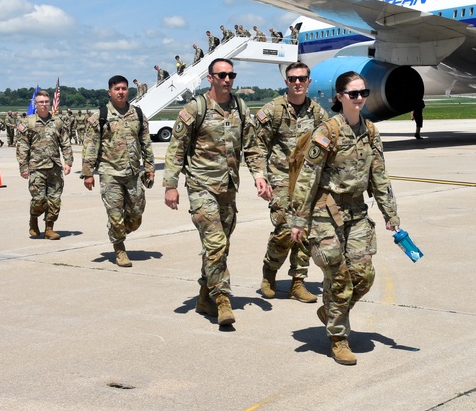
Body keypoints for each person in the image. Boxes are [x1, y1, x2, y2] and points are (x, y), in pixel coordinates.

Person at [290, 71, 400, 365]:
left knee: (363, 276)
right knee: (338, 278)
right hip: (325, 212)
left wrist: (390, 212)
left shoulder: (371, 131)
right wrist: (299, 219)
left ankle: (331, 312)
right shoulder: (327, 132)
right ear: (340, 97)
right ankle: (338, 338)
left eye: (364, 92)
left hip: (357, 213)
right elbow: (308, 177)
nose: (360, 98)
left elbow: (379, 174)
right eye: (354, 94)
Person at [164, 58, 254, 327]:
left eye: (231, 75)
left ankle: (204, 295)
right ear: (210, 78)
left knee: (219, 246)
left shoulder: (240, 107)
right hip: (201, 186)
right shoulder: (196, 108)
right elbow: (177, 147)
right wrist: (171, 185)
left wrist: (260, 175)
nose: (227, 80)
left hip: (228, 188)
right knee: (215, 244)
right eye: (222, 75)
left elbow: (252, 145)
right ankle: (222, 299)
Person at [245, 62, 329, 303]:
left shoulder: (317, 113)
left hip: (307, 180)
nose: (297, 83)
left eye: (302, 78)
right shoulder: (273, 110)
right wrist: (260, 176)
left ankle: (298, 282)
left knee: (304, 229)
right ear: (286, 82)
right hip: (280, 178)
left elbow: (326, 146)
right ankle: (269, 271)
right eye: (293, 78)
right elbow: (256, 146)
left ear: (309, 81)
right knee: (284, 228)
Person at [81, 76, 155, 267]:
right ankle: (120, 249)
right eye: (117, 89)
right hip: (110, 173)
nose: (121, 92)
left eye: (124, 88)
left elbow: (146, 143)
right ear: (110, 92)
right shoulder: (101, 116)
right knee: (115, 216)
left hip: (133, 173)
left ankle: (119, 230)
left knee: (136, 216)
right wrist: (88, 173)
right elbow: (90, 145)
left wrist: (149, 168)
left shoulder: (137, 114)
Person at [17, 90, 74, 240]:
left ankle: (49, 228)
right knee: (39, 199)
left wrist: (68, 162)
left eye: (46, 102)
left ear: (50, 103)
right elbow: (22, 146)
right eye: (40, 102)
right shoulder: (28, 122)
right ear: (35, 104)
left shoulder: (58, 121)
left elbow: (65, 143)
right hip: (36, 168)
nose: (44, 105)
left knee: (55, 200)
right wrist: (23, 167)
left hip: (54, 167)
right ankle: (33, 220)